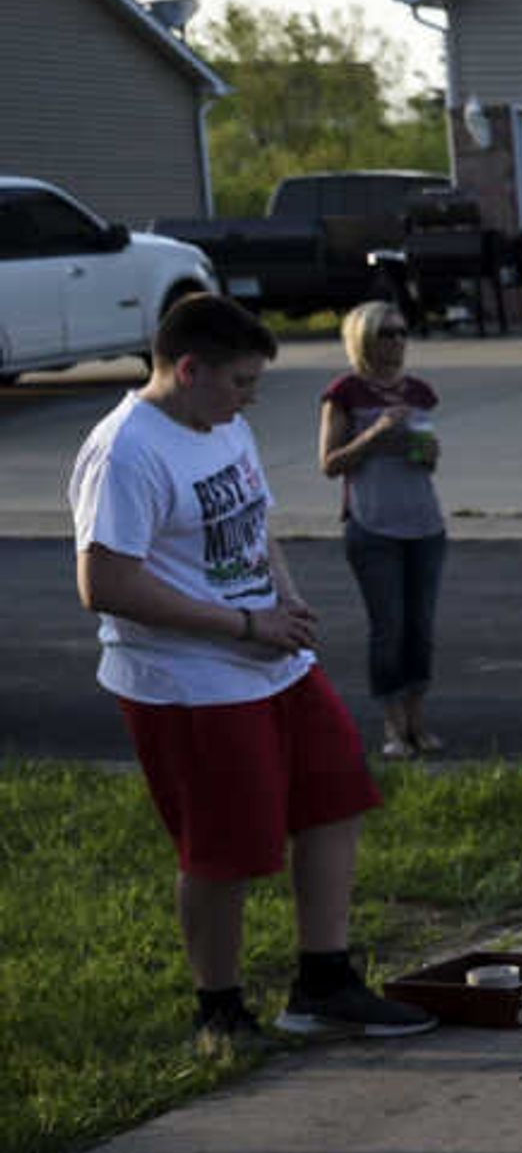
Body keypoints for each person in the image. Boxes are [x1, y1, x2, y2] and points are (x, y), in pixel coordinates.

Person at [67, 291, 436, 1058]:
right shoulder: (127, 450)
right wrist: (244, 624)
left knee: (336, 793)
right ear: (188, 368)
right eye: (239, 381)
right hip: (188, 679)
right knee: (225, 845)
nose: (249, 398)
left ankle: (324, 984)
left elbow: (254, 521)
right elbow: (104, 583)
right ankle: (220, 1010)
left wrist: (287, 603)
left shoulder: (222, 422)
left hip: (270, 657)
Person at [314, 297, 447, 757]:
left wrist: (423, 449)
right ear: (364, 339)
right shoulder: (345, 393)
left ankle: (418, 720)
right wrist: (372, 435)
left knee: (421, 629)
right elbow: (330, 464)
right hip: (373, 527)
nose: (396, 341)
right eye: (386, 333)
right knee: (388, 628)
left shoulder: (420, 392)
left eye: (402, 332)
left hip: (424, 523)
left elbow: (428, 459)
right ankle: (394, 728)